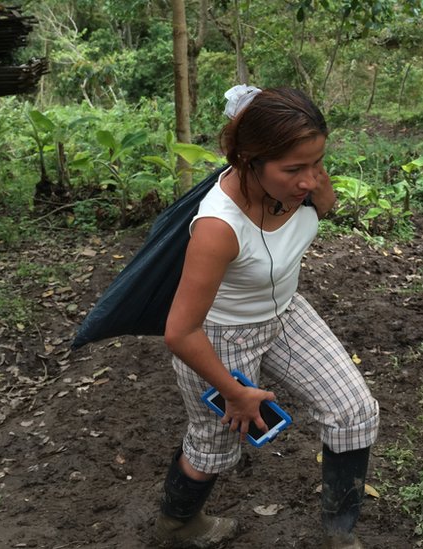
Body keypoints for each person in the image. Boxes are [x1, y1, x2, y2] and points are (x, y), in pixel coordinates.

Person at [155, 86, 379, 549]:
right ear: (247, 160)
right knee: (213, 448)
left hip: (286, 313)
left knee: (353, 411)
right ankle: (179, 523)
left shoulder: (305, 184)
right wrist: (235, 393)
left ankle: (340, 536)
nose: (309, 180)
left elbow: (325, 204)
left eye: (316, 162)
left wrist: (312, 178)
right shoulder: (218, 228)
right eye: (294, 169)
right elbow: (180, 331)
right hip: (219, 336)